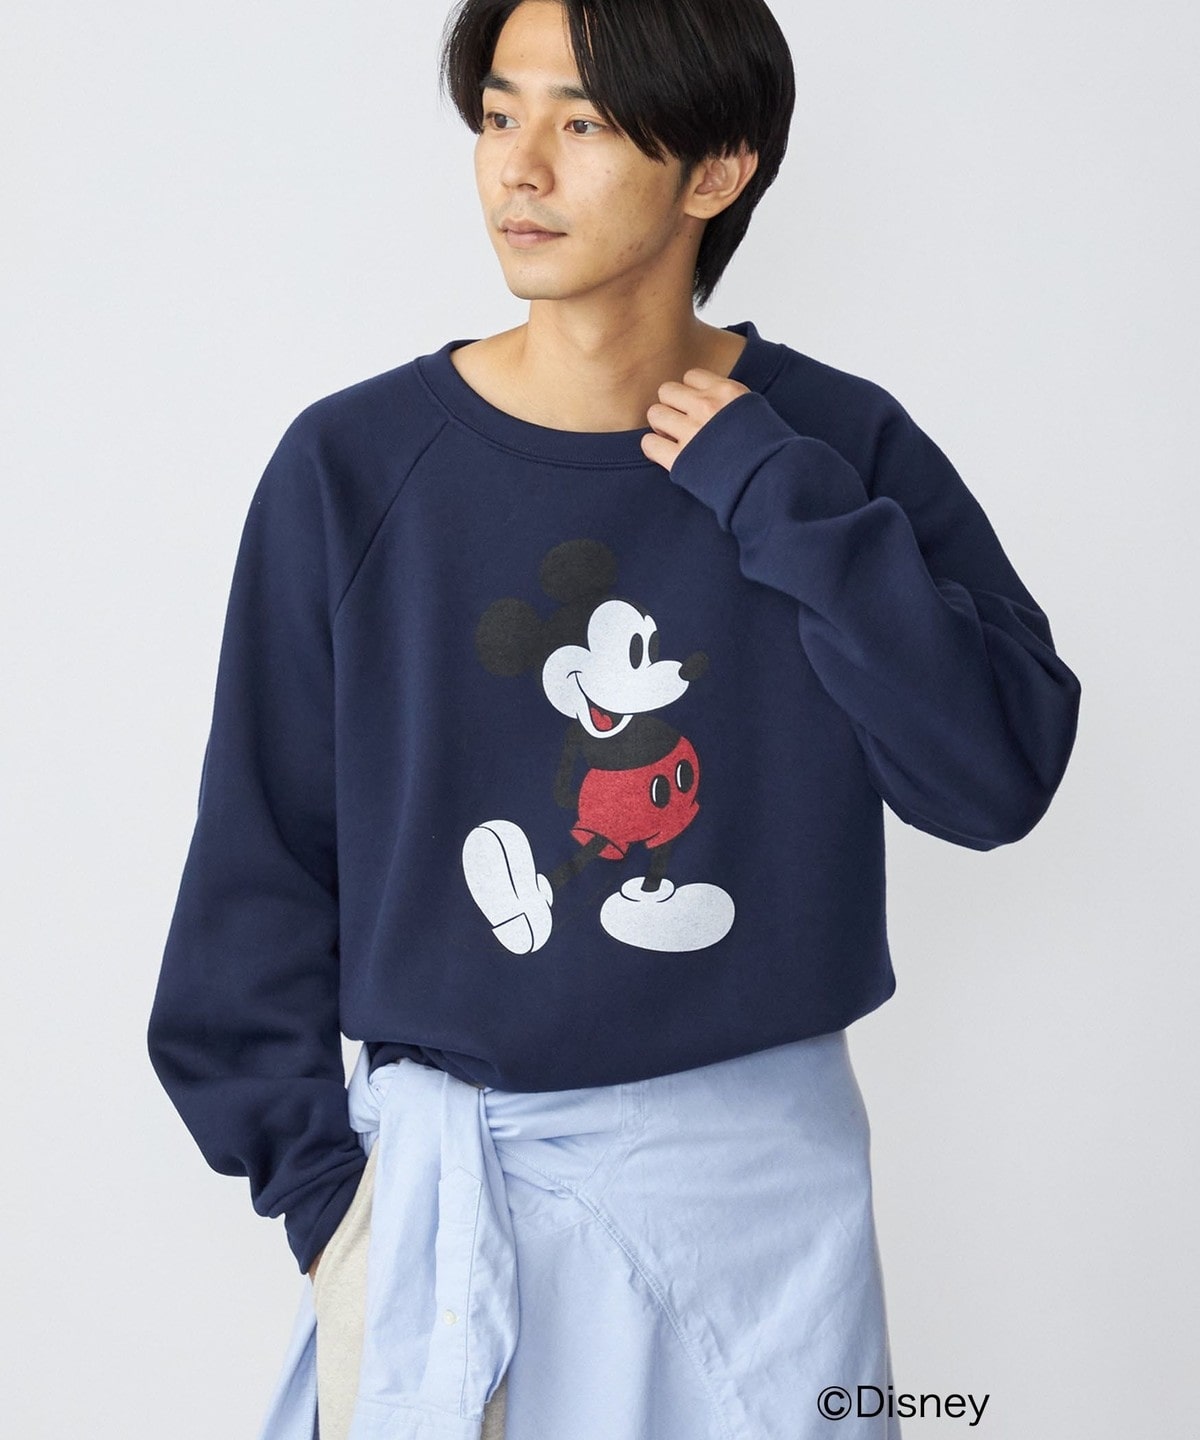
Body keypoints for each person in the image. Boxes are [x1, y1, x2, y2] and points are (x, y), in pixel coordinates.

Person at [146, 1, 1082, 1437]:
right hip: (447, 1189)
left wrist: (783, 498)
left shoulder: (837, 447)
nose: (519, 167)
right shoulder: (354, 467)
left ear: (717, 168)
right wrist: (332, 1204)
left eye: (580, 121)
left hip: (759, 1196)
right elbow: (257, 867)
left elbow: (994, 777)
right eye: (498, 113)